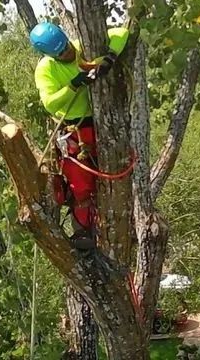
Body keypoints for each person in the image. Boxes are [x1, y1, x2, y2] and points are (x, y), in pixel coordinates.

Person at [30, 22, 129, 249]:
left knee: (112, 175)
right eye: (61, 53)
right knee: (81, 185)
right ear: (50, 55)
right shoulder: (46, 69)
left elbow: (121, 33)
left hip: (100, 124)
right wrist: (74, 84)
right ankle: (84, 232)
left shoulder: (82, 47)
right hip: (74, 130)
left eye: (66, 47)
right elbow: (50, 103)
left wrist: (110, 58)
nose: (68, 53)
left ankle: (119, 223)